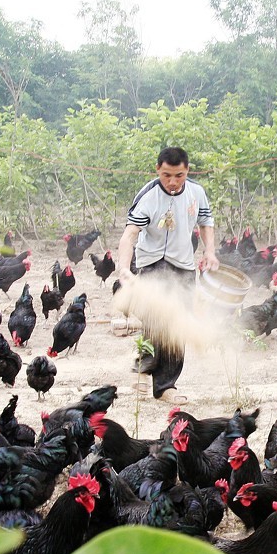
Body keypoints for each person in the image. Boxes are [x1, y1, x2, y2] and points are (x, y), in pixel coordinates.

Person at [116, 146, 218, 403]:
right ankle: (143, 368)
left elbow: (205, 223)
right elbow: (130, 235)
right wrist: (124, 269)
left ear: (187, 171)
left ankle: (165, 387)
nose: (172, 182)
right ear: (158, 170)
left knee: (178, 325)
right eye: (166, 175)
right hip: (152, 263)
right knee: (156, 317)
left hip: (183, 265)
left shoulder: (197, 193)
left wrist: (210, 252)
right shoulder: (148, 196)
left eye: (179, 176)